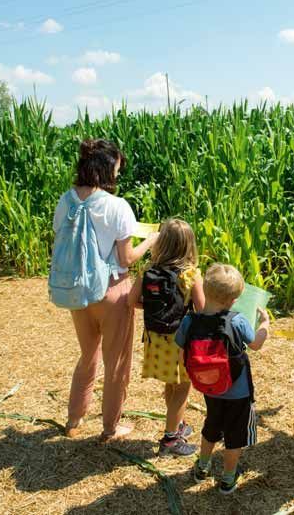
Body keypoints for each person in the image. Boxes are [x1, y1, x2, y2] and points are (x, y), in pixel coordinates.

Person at [54, 139, 157, 443]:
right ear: (106, 168)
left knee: (88, 355)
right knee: (117, 364)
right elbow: (126, 259)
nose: (118, 174)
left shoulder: (66, 201)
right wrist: (151, 240)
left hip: (78, 290)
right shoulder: (117, 206)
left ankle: (74, 420)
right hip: (112, 290)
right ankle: (111, 427)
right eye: (117, 168)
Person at [176, 264, 270, 494]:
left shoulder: (189, 322)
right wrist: (265, 324)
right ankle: (228, 478)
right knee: (234, 436)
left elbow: (182, 356)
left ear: (205, 290)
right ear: (233, 300)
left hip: (209, 387)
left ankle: (202, 467)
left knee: (211, 426)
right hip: (238, 392)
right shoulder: (237, 321)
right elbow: (256, 344)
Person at [126, 219, 205, 457]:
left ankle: (177, 424)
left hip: (155, 340)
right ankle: (171, 439)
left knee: (171, 384)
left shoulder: (148, 270)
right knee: (182, 389)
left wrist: (153, 309)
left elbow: (131, 301)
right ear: (188, 245)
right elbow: (202, 310)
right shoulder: (190, 274)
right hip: (180, 342)